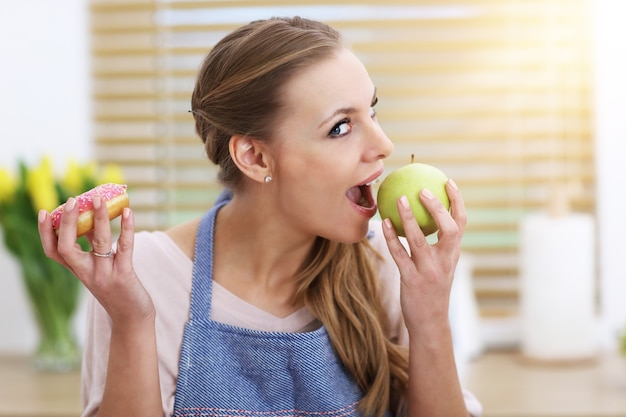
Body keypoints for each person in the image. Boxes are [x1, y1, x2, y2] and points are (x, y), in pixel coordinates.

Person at [38, 16, 482, 417]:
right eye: (340, 127)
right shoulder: (142, 277)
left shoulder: (389, 264)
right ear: (255, 157)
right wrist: (132, 321)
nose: (383, 145)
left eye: (373, 110)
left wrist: (429, 317)